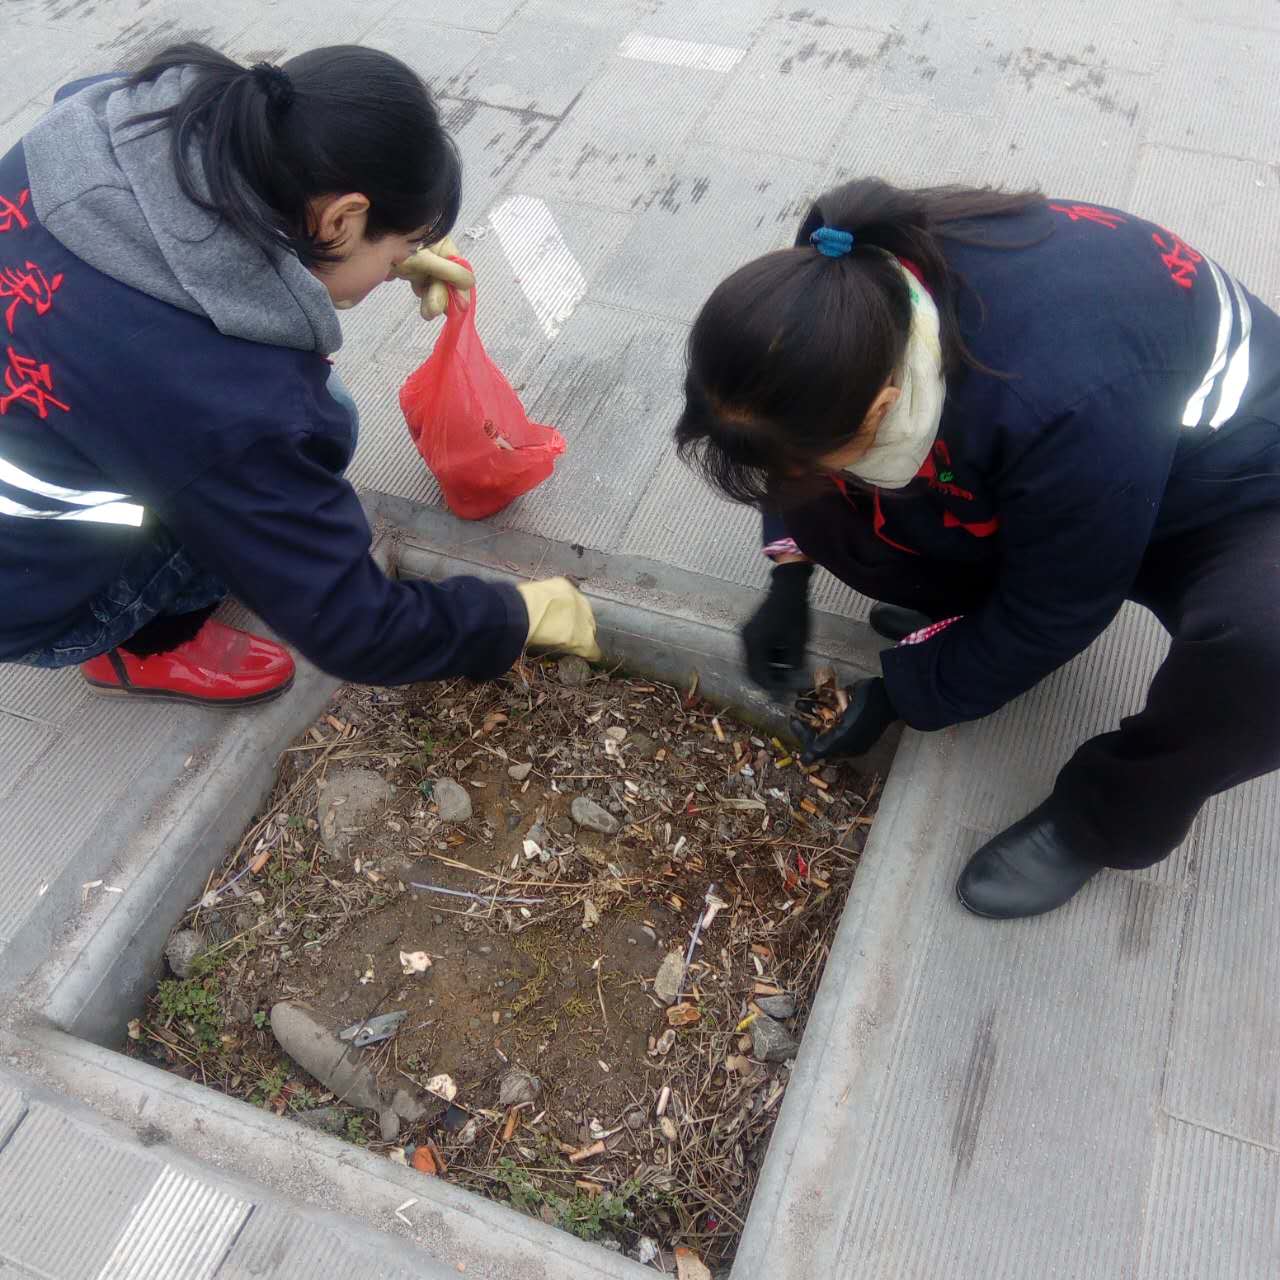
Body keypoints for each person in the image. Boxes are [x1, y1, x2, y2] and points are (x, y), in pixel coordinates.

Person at [676, 180, 1280, 920]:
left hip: (1236, 483)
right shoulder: (838, 276)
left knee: (1263, 657)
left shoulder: (1054, 400)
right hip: (1094, 455)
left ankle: (1099, 821)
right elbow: (785, 428)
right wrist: (788, 571)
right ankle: (972, 624)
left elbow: (1058, 609)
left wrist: (906, 693)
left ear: (881, 405)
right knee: (840, 512)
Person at [0, 43, 599, 707]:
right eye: (397, 251)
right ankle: (146, 647)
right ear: (340, 217)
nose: (396, 268)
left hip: (45, 407)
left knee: (292, 427)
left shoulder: (119, 118)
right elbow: (357, 629)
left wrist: (398, 248)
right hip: (22, 591)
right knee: (320, 426)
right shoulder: (229, 401)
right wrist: (515, 617)